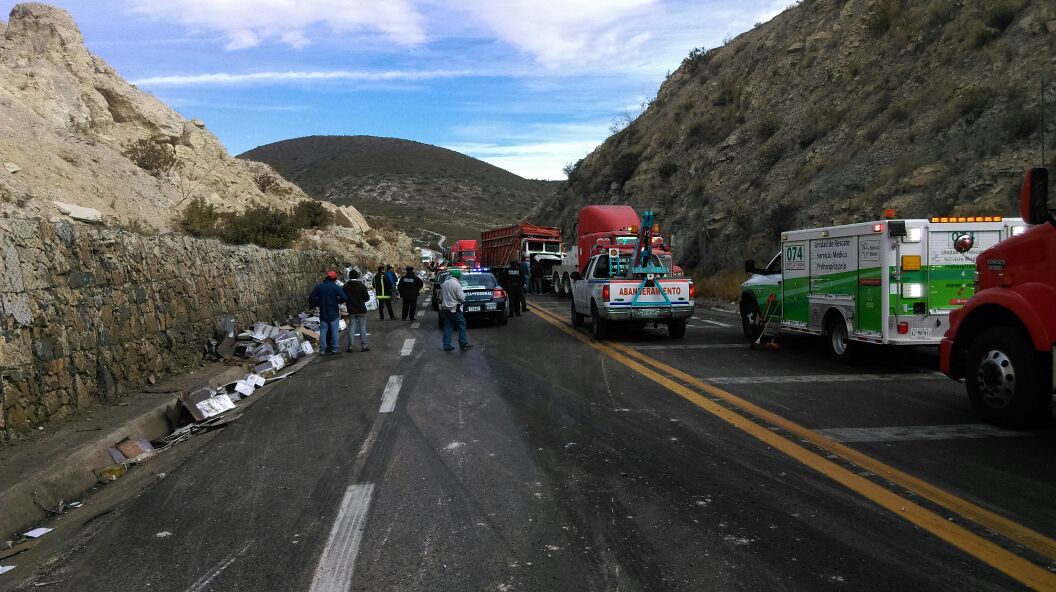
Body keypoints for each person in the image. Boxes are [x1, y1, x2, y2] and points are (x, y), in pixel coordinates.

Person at [308, 271, 346, 355]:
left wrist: (318, 303)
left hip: (323, 312)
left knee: (323, 331)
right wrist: (337, 301)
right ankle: (335, 348)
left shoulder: (319, 287)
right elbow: (344, 297)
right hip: (333, 313)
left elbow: (311, 297)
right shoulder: (336, 287)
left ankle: (322, 350)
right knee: (334, 331)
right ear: (335, 279)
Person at [439, 269, 471, 351]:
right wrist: (464, 295)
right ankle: (463, 343)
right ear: (458, 276)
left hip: (446, 309)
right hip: (455, 309)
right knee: (462, 325)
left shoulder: (445, 283)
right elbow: (461, 297)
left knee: (448, 326)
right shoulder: (457, 284)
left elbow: (441, 296)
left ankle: (446, 345)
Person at [343, 269, 371, 352]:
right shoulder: (361, 285)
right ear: (357, 276)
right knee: (362, 328)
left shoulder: (345, 286)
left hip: (351, 310)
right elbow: (367, 298)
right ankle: (364, 346)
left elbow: (343, 297)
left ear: (349, 276)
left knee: (351, 328)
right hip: (361, 309)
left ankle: (350, 347)